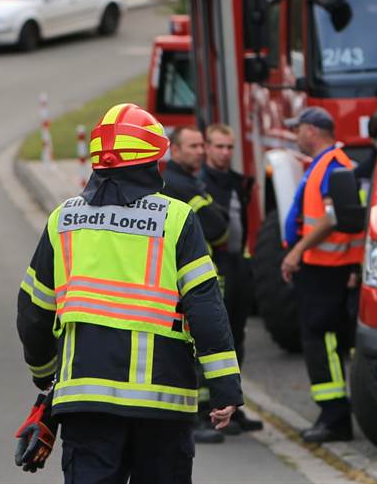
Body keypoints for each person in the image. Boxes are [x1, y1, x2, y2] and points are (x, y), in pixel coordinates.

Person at [16, 103, 241, 483]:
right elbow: (206, 308)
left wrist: (45, 375)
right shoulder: (176, 219)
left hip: (86, 402)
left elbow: (33, 311)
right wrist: (224, 387)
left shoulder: (64, 220)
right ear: (154, 159)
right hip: (163, 402)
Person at [280, 106, 364, 444]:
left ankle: (334, 416)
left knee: (322, 340)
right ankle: (332, 413)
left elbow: (331, 217)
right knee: (325, 340)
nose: (295, 135)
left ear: (311, 131)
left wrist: (297, 250)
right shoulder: (328, 163)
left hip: (326, 268)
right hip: (327, 267)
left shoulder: (332, 165)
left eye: (297, 128)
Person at [163, 125, 236, 444]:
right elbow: (218, 227)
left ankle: (204, 413)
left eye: (201, 145)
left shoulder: (190, 182)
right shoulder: (178, 185)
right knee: (192, 348)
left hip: (197, 277)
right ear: (175, 150)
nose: (200, 151)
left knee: (199, 347)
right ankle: (192, 420)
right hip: (187, 281)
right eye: (192, 146)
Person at [199, 123, 263, 433]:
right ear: (207, 147)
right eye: (219, 146)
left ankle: (233, 405)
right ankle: (210, 410)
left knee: (237, 338)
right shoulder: (201, 184)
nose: (225, 153)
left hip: (238, 266)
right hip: (217, 267)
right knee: (215, 340)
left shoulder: (237, 182)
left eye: (229, 147)